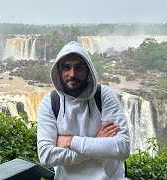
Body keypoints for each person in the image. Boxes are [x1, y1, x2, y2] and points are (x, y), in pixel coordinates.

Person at [37, 41, 130, 180]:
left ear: (88, 71)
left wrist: (70, 141)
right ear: (58, 71)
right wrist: (97, 142)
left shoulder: (103, 96)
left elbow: (122, 148)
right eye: (66, 67)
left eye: (79, 68)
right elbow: (46, 156)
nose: (72, 74)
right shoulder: (50, 102)